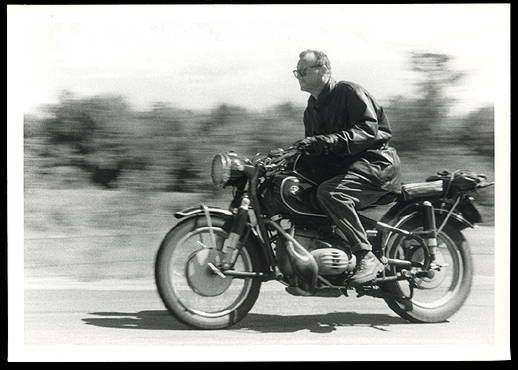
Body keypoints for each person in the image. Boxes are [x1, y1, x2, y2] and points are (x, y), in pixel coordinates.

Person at [292, 49, 401, 286]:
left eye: (303, 71)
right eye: (296, 72)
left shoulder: (348, 92)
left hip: (375, 164)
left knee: (331, 193)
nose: (298, 76)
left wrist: (328, 141)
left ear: (325, 70)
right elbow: (315, 151)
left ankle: (366, 255)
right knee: (302, 193)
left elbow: (367, 130)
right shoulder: (311, 109)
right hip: (347, 170)